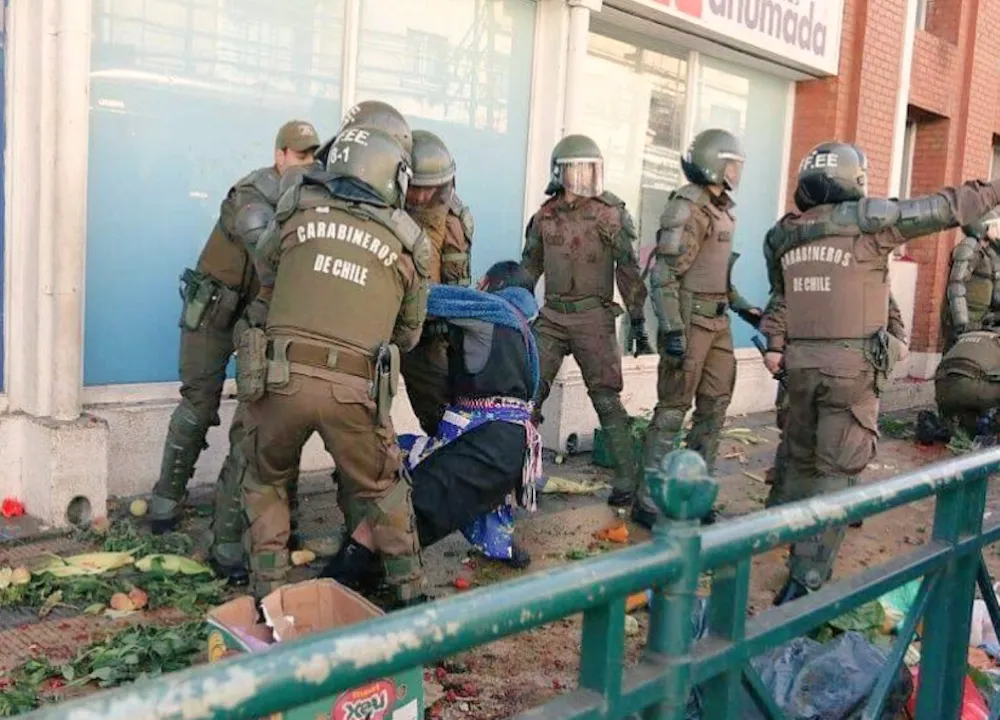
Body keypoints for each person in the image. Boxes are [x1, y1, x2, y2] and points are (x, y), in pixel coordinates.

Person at [760, 140, 1000, 605]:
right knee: (836, 471)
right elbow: (946, 207)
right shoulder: (868, 222)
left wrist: (775, 345)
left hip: (799, 367)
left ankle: (772, 532)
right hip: (850, 371)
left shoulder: (783, 234)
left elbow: (782, 297)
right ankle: (805, 580)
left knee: (797, 452)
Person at [238, 125, 429, 605]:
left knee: (265, 479)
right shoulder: (407, 240)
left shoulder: (295, 209)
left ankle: (268, 595)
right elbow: (408, 334)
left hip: (278, 380)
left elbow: (268, 272)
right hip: (353, 390)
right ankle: (408, 595)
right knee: (384, 489)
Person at [149, 120, 320, 547]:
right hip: (213, 310)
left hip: (258, 316)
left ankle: (267, 517)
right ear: (279, 154)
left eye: (312, 155)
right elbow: (268, 256)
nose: (306, 162)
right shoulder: (253, 192)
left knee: (263, 418)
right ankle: (166, 501)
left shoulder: (307, 197)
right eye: (299, 154)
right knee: (198, 404)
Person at [326, 261, 542, 593]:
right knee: (451, 489)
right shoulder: (526, 332)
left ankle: (340, 579)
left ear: (488, 283)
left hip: (486, 444)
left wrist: (357, 282)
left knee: (403, 502)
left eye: (480, 284)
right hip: (509, 446)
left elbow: (426, 297)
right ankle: (499, 548)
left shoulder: (489, 309)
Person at [521, 134, 652, 517]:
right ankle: (521, 473)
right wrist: (514, 314)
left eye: (588, 169)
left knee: (607, 399)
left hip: (594, 318)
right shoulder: (545, 217)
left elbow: (629, 271)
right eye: (574, 169)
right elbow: (527, 269)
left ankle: (628, 480)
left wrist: (639, 322)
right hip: (552, 316)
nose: (581, 178)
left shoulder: (611, 214)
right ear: (559, 173)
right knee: (526, 394)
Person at [638, 128, 762, 528]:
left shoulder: (722, 208)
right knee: (673, 410)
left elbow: (719, 276)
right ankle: (648, 497)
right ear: (712, 162)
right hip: (690, 322)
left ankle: (695, 491)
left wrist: (745, 309)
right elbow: (664, 276)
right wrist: (672, 329)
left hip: (718, 321)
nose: (737, 171)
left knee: (714, 406)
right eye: (731, 163)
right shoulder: (687, 207)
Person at [763, 292, 907, 510]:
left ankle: (840, 505)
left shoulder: (865, 270)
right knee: (797, 435)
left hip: (850, 366)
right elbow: (783, 300)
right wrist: (774, 346)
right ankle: (784, 507)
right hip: (807, 362)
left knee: (849, 440)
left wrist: (898, 342)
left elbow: (888, 306)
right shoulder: (806, 264)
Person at [400, 130, 475, 435]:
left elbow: (459, 281)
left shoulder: (455, 219)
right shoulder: (383, 212)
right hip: (381, 326)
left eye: (429, 189)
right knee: (360, 415)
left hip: (429, 334)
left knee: (441, 416)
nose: (420, 197)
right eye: (416, 188)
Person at [941, 212, 1000, 351]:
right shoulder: (970, 247)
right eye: (997, 225)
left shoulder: (990, 254)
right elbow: (956, 285)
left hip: (982, 321)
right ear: (984, 226)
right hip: (966, 321)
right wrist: (962, 322)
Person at [931, 327, 1000, 441]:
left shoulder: (963, 338)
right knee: (978, 388)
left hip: (941, 390)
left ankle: (960, 425)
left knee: (970, 389)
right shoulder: (996, 341)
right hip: (970, 389)